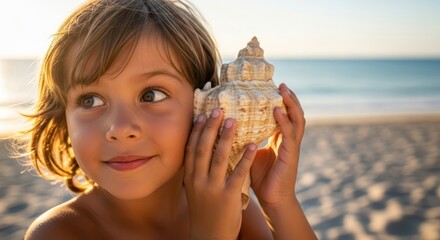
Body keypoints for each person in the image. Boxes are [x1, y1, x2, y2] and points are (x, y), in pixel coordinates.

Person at [21, 0, 316, 239]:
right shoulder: (59, 232)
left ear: (201, 106)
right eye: (90, 101)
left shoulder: (231, 205)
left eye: (151, 95)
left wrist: (279, 202)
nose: (120, 129)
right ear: (63, 116)